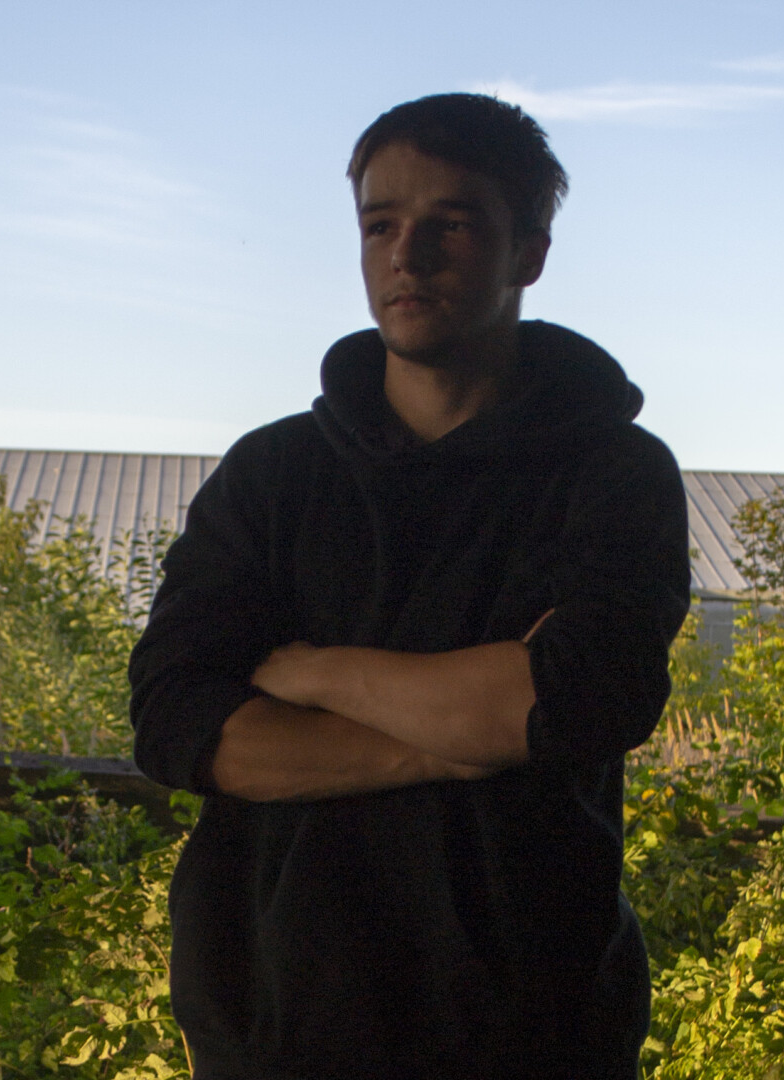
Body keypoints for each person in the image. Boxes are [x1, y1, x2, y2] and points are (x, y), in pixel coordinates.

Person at [128, 93, 692, 1079]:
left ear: (527, 253)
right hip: (275, 1029)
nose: (406, 255)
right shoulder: (272, 476)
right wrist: (469, 736)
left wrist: (316, 673)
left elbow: (583, 697)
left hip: (537, 1032)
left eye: (451, 223)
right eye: (379, 224)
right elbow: (178, 724)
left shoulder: (612, 473)